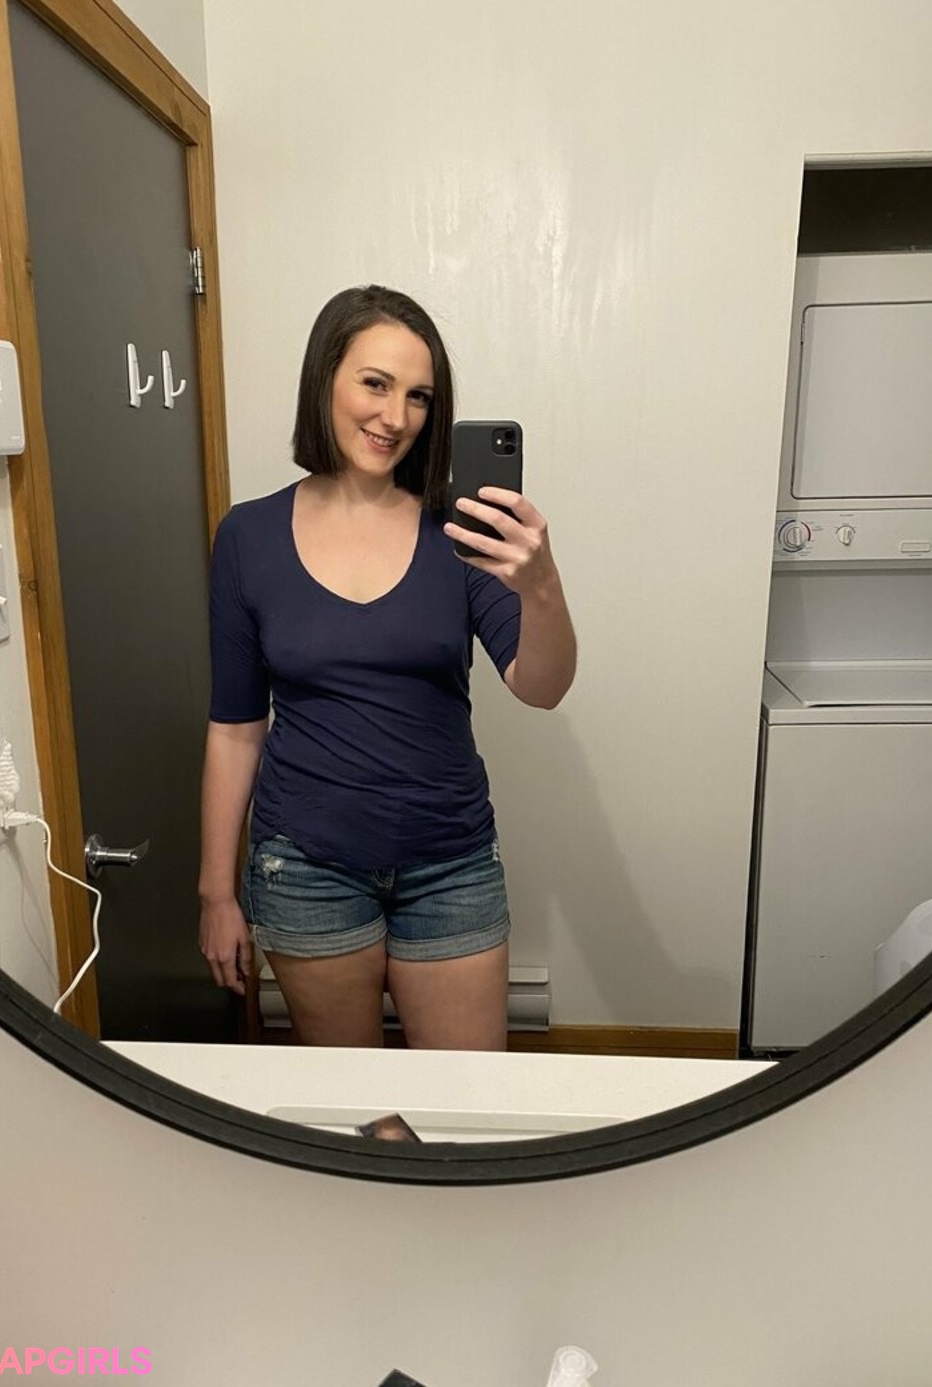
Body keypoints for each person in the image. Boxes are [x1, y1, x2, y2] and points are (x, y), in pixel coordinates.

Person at [198, 285, 576, 1050]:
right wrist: (216, 891)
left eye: (418, 396)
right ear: (325, 378)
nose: (395, 416)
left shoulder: (460, 532)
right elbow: (236, 728)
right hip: (305, 867)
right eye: (375, 383)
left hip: (451, 863)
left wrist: (541, 586)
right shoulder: (248, 536)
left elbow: (541, 687)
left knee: (467, 1101)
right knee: (358, 1102)